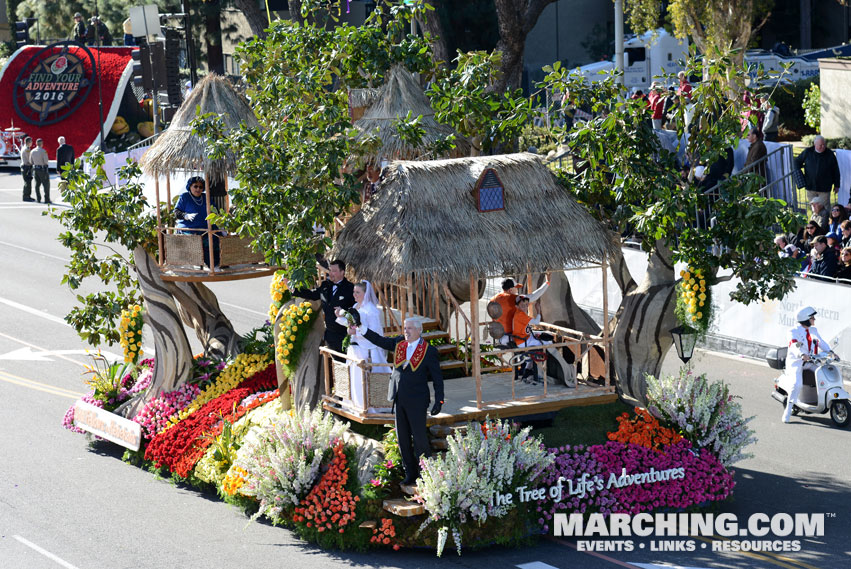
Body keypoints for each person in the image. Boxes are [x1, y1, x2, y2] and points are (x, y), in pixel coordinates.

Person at [357, 318, 444, 485]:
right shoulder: (399, 344)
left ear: (419, 330)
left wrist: (439, 400)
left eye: (410, 328)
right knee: (402, 439)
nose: (406, 331)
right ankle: (410, 473)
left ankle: (425, 474)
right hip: (399, 398)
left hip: (418, 400)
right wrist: (361, 327)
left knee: (419, 440)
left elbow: (437, 379)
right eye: (405, 328)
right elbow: (379, 340)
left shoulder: (429, 351)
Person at [334, 280, 390, 410]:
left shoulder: (371, 310)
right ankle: (355, 405)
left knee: (364, 380)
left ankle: (367, 407)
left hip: (366, 350)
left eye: (358, 292)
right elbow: (351, 324)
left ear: (366, 293)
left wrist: (355, 332)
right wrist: (340, 318)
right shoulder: (356, 306)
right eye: (354, 292)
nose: (355, 295)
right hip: (355, 348)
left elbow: (374, 333)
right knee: (354, 378)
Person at [783, 307, 839, 423]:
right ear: (805, 319)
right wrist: (802, 354)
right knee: (796, 384)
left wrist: (831, 352)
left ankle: (818, 400)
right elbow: (794, 345)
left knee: (823, 373)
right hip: (797, 363)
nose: (814, 319)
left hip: (811, 361)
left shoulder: (813, 330)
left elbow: (821, 342)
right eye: (812, 317)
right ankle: (787, 411)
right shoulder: (793, 331)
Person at [293, 259, 355, 355]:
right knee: (334, 365)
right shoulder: (326, 285)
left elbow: (355, 311)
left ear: (342, 272)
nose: (331, 273)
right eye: (330, 270)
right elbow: (313, 295)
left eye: (334, 271)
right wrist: (294, 290)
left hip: (344, 334)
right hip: (330, 335)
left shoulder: (350, 288)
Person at [488, 277, 550, 346]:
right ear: (510, 290)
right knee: (544, 338)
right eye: (516, 288)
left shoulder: (493, 299)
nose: (517, 290)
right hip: (510, 337)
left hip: (498, 337)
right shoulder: (513, 298)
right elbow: (534, 296)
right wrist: (547, 283)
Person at [174, 176, 218, 266]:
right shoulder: (184, 197)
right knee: (198, 240)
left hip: (205, 226)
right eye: (195, 186)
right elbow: (176, 212)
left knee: (216, 236)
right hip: (188, 227)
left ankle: (216, 263)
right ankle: (205, 263)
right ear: (190, 186)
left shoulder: (206, 197)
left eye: (201, 187)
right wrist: (185, 216)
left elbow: (215, 210)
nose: (198, 189)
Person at [512, 295, 553, 384]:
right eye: (523, 305)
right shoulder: (520, 315)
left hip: (523, 338)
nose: (525, 307)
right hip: (523, 341)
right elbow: (536, 322)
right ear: (517, 306)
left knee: (544, 336)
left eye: (526, 305)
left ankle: (528, 369)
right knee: (548, 342)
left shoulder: (519, 313)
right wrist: (538, 310)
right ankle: (538, 371)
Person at [794, 135, 841, 209]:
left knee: (825, 208)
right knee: (814, 209)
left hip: (824, 188)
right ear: (815, 144)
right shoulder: (808, 152)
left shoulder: (830, 154)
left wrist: (837, 185)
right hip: (810, 186)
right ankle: (815, 220)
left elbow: (835, 170)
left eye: (824, 145)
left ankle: (826, 220)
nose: (823, 146)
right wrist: (799, 174)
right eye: (820, 145)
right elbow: (797, 161)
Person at [30, 138, 50, 205]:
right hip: (42, 169)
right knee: (46, 184)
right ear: (41, 144)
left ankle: (38, 198)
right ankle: (47, 199)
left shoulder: (32, 151)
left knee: (37, 185)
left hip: (35, 169)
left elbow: (31, 161)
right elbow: (46, 161)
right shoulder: (43, 151)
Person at [20, 137, 34, 202]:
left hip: (25, 166)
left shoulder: (24, 148)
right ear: (28, 142)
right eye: (31, 142)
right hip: (27, 167)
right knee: (27, 182)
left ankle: (28, 196)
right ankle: (26, 196)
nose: (32, 143)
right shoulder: (27, 149)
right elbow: (29, 159)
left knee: (28, 182)